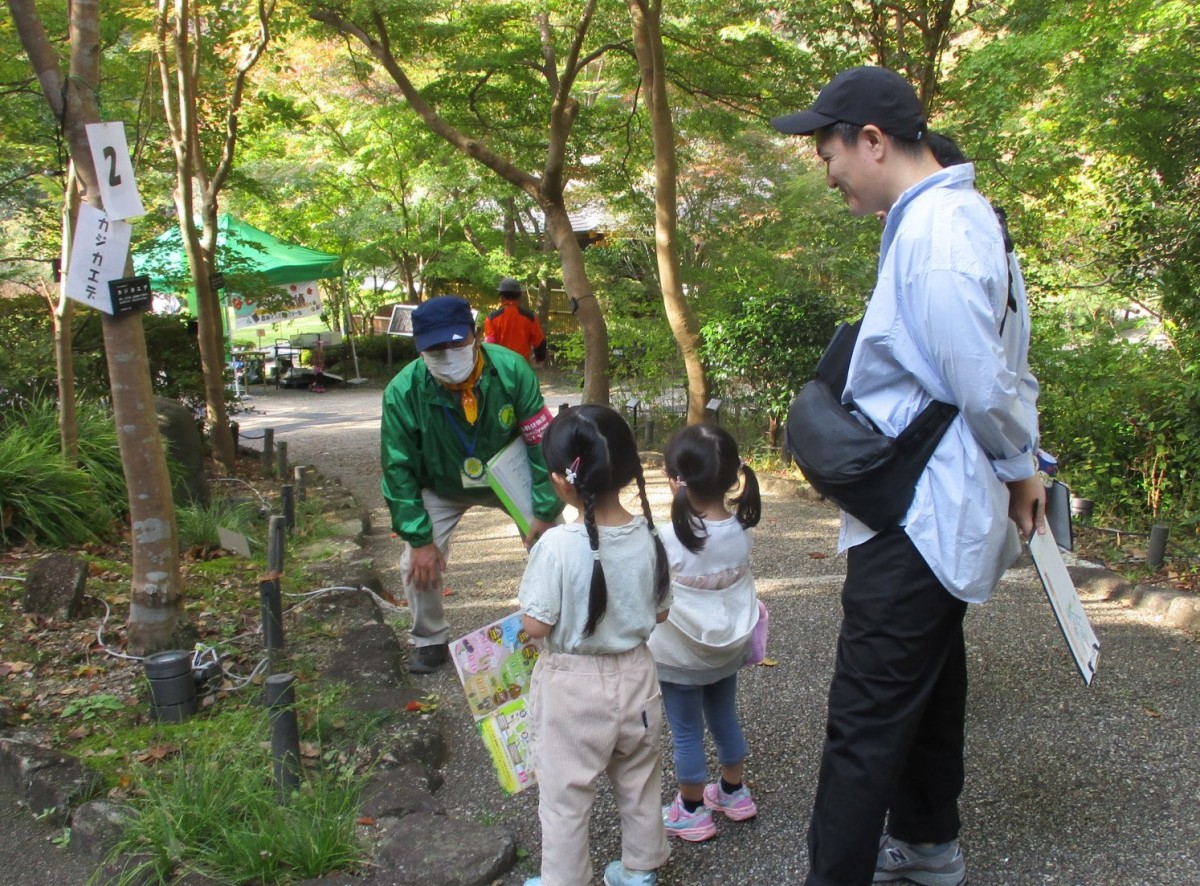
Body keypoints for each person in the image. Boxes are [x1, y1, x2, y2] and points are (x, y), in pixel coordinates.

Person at [770, 66, 1045, 886]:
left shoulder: (939, 232)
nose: (828, 173)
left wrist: (1021, 463)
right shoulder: (943, 221)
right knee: (926, 685)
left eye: (829, 153)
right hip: (927, 508)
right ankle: (927, 846)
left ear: (874, 141)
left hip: (919, 514)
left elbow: (976, 373)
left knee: (865, 714)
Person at [518, 404, 672, 886]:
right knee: (640, 781)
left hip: (572, 689)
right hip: (638, 678)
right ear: (628, 470)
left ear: (562, 483)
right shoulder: (650, 535)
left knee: (565, 797)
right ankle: (640, 869)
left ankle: (565, 879)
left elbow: (535, 627)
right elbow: (660, 611)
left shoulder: (556, 547)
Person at [380, 295, 565, 674]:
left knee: (556, 544)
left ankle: (563, 625)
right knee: (413, 565)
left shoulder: (512, 371)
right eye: (435, 349)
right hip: (442, 483)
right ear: (420, 349)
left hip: (508, 472)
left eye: (455, 343)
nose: (447, 355)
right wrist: (419, 539)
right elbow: (397, 470)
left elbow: (539, 440)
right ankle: (429, 638)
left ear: (476, 335)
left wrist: (545, 510)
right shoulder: (402, 392)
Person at [649, 424, 763, 843]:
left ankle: (691, 810)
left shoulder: (666, 538)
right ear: (733, 477)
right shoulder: (740, 530)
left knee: (685, 732)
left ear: (673, 477)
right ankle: (733, 793)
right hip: (727, 649)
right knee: (724, 716)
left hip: (680, 657)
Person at [484, 277, 549, 365]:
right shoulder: (530, 317)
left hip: (500, 367)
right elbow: (540, 341)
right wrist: (540, 357)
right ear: (519, 296)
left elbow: (489, 345)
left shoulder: (492, 318)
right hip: (522, 367)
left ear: (501, 296)